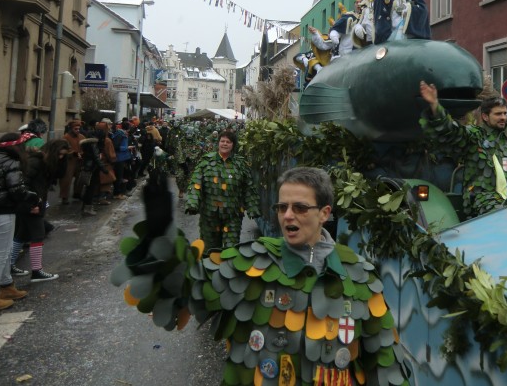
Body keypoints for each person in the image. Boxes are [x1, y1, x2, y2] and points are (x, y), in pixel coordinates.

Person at [114, 166, 411, 385]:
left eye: (299, 207)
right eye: (282, 207)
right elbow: (180, 289)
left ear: (325, 213)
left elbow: (384, 367)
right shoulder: (248, 264)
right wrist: (161, 237)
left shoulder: (361, 279)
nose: (287, 216)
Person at [419, 80, 507, 218]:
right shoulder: (474, 135)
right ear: (485, 116)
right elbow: (451, 132)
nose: (503, 118)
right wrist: (435, 105)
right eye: (498, 114)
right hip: (482, 199)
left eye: (505, 113)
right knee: (503, 214)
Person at [184, 130, 261, 249]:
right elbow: (196, 183)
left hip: (233, 215)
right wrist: (192, 203)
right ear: (218, 143)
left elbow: (248, 187)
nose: (224, 144)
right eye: (222, 141)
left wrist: (253, 207)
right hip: (209, 216)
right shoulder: (206, 162)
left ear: (233, 145)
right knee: (210, 251)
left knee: (231, 249)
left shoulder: (240, 164)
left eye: (228, 142)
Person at [10, 139, 69, 283]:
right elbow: (24, 184)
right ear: (52, 151)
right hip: (30, 204)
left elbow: (60, 174)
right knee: (38, 234)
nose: (60, 158)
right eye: (60, 155)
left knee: (22, 235)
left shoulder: (46, 163)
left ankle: (9, 265)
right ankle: (36, 271)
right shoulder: (36, 162)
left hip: (34, 202)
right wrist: (31, 204)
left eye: (63, 156)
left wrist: (64, 160)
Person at [0, 133, 40, 310]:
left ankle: (7, 285)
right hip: (3, 211)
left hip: (1, 209)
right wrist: (33, 198)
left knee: (3, 253)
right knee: (1, 253)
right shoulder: (12, 162)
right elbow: (17, 189)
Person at [60, 119, 85, 205]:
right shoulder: (65, 137)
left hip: (80, 160)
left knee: (80, 178)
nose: (78, 131)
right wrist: (73, 152)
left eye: (79, 129)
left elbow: (85, 147)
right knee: (66, 179)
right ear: (71, 128)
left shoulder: (81, 137)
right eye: (76, 129)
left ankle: (77, 193)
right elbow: (63, 148)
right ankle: (64, 197)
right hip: (69, 160)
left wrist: (83, 153)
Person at [111, 120, 133, 199]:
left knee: (122, 176)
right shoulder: (120, 134)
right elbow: (115, 147)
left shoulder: (122, 134)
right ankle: (117, 194)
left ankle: (120, 192)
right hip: (119, 158)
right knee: (119, 176)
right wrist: (126, 147)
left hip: (123, 157)